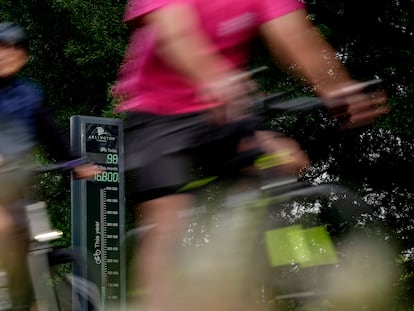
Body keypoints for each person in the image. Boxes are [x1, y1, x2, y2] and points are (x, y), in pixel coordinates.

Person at [113, 0, 388, 310]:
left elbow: (294, 36)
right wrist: (214, 76)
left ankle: (311, 290)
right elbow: (175, 33)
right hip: (158, 112)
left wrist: (336, 87)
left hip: (226, 108)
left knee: (280, 170)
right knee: (165, 217)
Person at [0, 22, 97, 310]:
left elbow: (52, 136)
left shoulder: (30, 95)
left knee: (36, 245)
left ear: (25, 58)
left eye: (16, 49)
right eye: (2, 47)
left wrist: (78, 162)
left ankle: (26, 297)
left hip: (20, 186)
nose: (8, 54)